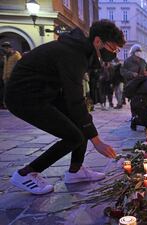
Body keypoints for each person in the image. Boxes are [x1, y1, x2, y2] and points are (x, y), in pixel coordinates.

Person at [5, 20, 123, 195]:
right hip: (24, 96)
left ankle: (75, 171)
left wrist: (90, 132)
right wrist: (97, 141)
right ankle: (25, 174)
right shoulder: (73, 54)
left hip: (44, 92)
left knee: (80, 125)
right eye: (113, 49)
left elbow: (76, 102)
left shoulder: (82, 51)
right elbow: (75, 100)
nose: (114, 53)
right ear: (98, 41)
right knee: (73, 136)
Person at [120, 44, 147, 130]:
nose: (139, 52)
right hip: (132, 85)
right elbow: (123, 72)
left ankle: (142, 119)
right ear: (133, 52)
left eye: (140, 51)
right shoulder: (127, 61)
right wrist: (132, 74)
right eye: (137, 50)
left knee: (143, 103)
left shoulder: (143, 61)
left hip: (142, 85)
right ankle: (134, 119)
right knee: (134, 103)